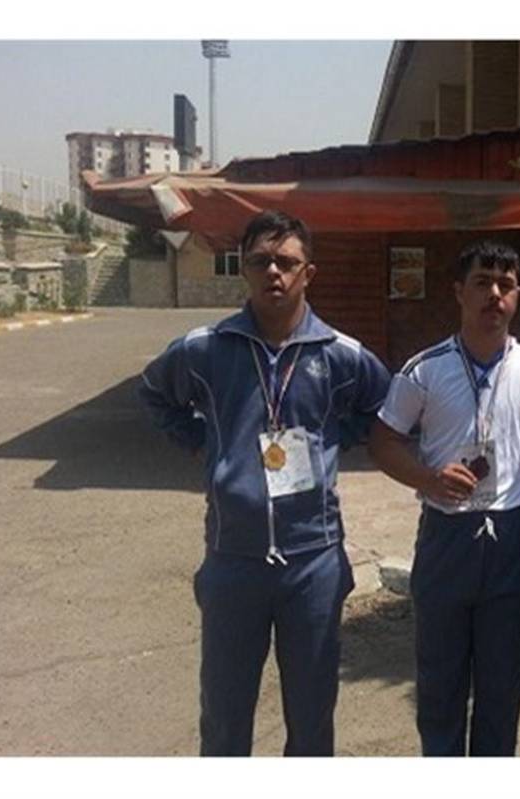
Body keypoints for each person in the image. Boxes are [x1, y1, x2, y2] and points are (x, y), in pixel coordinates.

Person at [138, 210, 391, 756]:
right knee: (225, 714)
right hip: (233, 558)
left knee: (312, 715)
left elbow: (384, 407)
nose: (274, 271)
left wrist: (334, 438)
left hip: (314, 560)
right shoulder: (205, 349)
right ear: (243, 270)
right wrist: (202, 443)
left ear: (308, 273)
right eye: (260, 261)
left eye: (286, 262)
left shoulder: (341, 355)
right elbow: (155, 392)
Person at [370, 241, 520, 756]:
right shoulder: (424, 370)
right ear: (458, 291)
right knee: (440, 687)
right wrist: (428, 478)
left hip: (511, 538)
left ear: (518, 295)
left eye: (506, 284)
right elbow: (383, 443)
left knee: (502, 687)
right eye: (482, 282)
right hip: (447, 536)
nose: (494, 294)